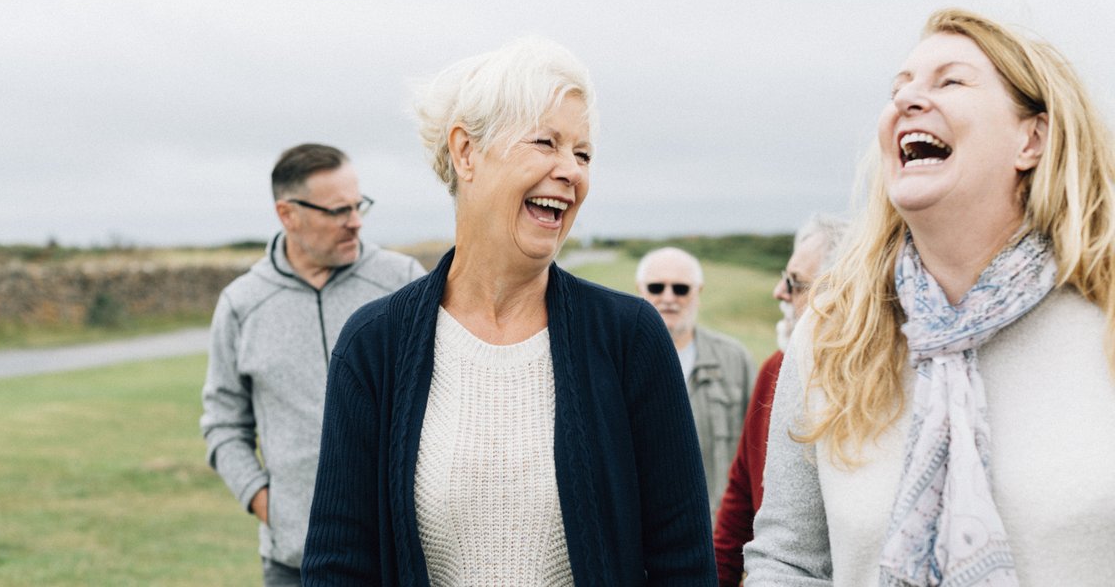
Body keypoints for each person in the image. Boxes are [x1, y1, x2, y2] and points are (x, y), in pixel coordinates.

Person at [301, 37, 718, 585]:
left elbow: (682, 561)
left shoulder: (630, 338)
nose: (571, 171)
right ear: (466, 152)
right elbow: (337, 564)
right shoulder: (375, 345)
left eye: (584, 153)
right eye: (546, 142)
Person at [745, 8, 1115, 586]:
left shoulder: (1104, 321)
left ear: (1032, 138)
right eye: (899, 89)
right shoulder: (834, 332)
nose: (908, 101)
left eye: (950, 81)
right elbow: (789, 559)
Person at [200, 143, 425, 586]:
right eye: (339, 210)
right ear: (288, 214)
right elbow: (224, 425)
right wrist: (267, 503)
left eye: (359, 205)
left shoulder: (403, 283)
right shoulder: (241, 305)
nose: (356, 221)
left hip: (397, 559)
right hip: (292, 565)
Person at [712, 213, 847, 586]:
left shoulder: (869, 388)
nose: (779, 292)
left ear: (842, 293)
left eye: (795, 284)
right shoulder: (774, 369)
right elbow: (739, 498)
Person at [634, 247, 755, 523]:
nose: (668, 298)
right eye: (656, 287)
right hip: (643, 536)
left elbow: (758, 455)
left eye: (680, 289)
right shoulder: (617, 360)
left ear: (698, 293)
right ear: (639, 290)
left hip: (717, 533)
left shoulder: (734, 360)